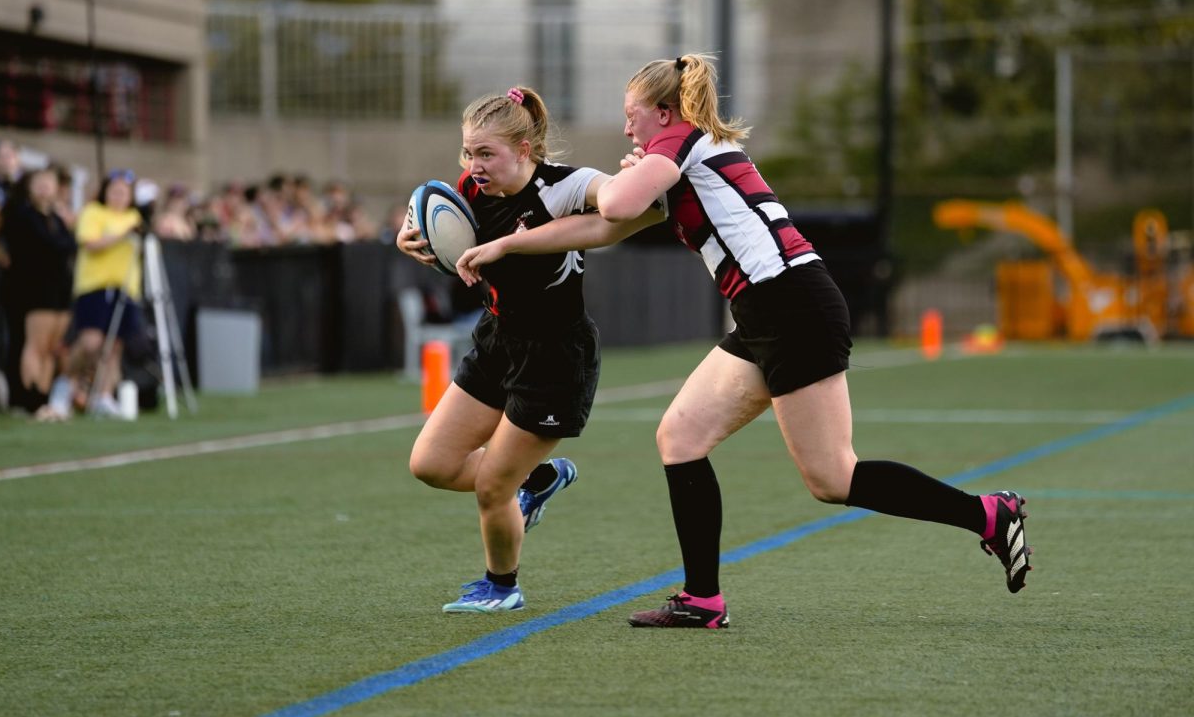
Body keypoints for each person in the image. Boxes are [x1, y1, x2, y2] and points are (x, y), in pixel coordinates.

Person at [456, 54, 1032, 629]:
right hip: (766, 309)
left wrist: (631, 176)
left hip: (793, 306)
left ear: (663, 113)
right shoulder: (677, 152)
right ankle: (702, 599)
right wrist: (508, 245)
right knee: (680, 436)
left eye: (633, 116)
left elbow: (617, 204)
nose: (627, 128)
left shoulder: (679, 142)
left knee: (832, 478)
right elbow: (602, 227)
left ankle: (986, 514)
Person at [396, 86, 615, 614]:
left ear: (524, 149)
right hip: (497, 342)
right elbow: (423, 216)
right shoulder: (469, 189)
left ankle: (502, 585)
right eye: (469, 152)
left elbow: (624, 201)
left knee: (493, 485)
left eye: (486, 153)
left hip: (556, 355)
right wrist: (408, 235)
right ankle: (537, 478)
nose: (474, 165)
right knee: (431, 463)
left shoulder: (564, 186)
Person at [53, 168, 145, 420]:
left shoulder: (134, 216)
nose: (118, 196)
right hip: (95, 287)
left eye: (123, 192)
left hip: (126, 289)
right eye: (114, 191)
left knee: (113, 347)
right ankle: (64, 386)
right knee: (90, 342)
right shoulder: (93, 213)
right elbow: (90, 244)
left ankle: (104, 395)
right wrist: (122, 234)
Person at [0, 166, 77, 415]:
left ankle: (43, 398)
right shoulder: (21, 213)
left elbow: (67, 247)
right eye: (39, 182)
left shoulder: (56, 219)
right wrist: (4, 259)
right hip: (33, 288)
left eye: (49, 183)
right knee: (35, 345)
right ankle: (28, 397)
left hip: (59, 289)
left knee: (53, 348)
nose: (44, 187)